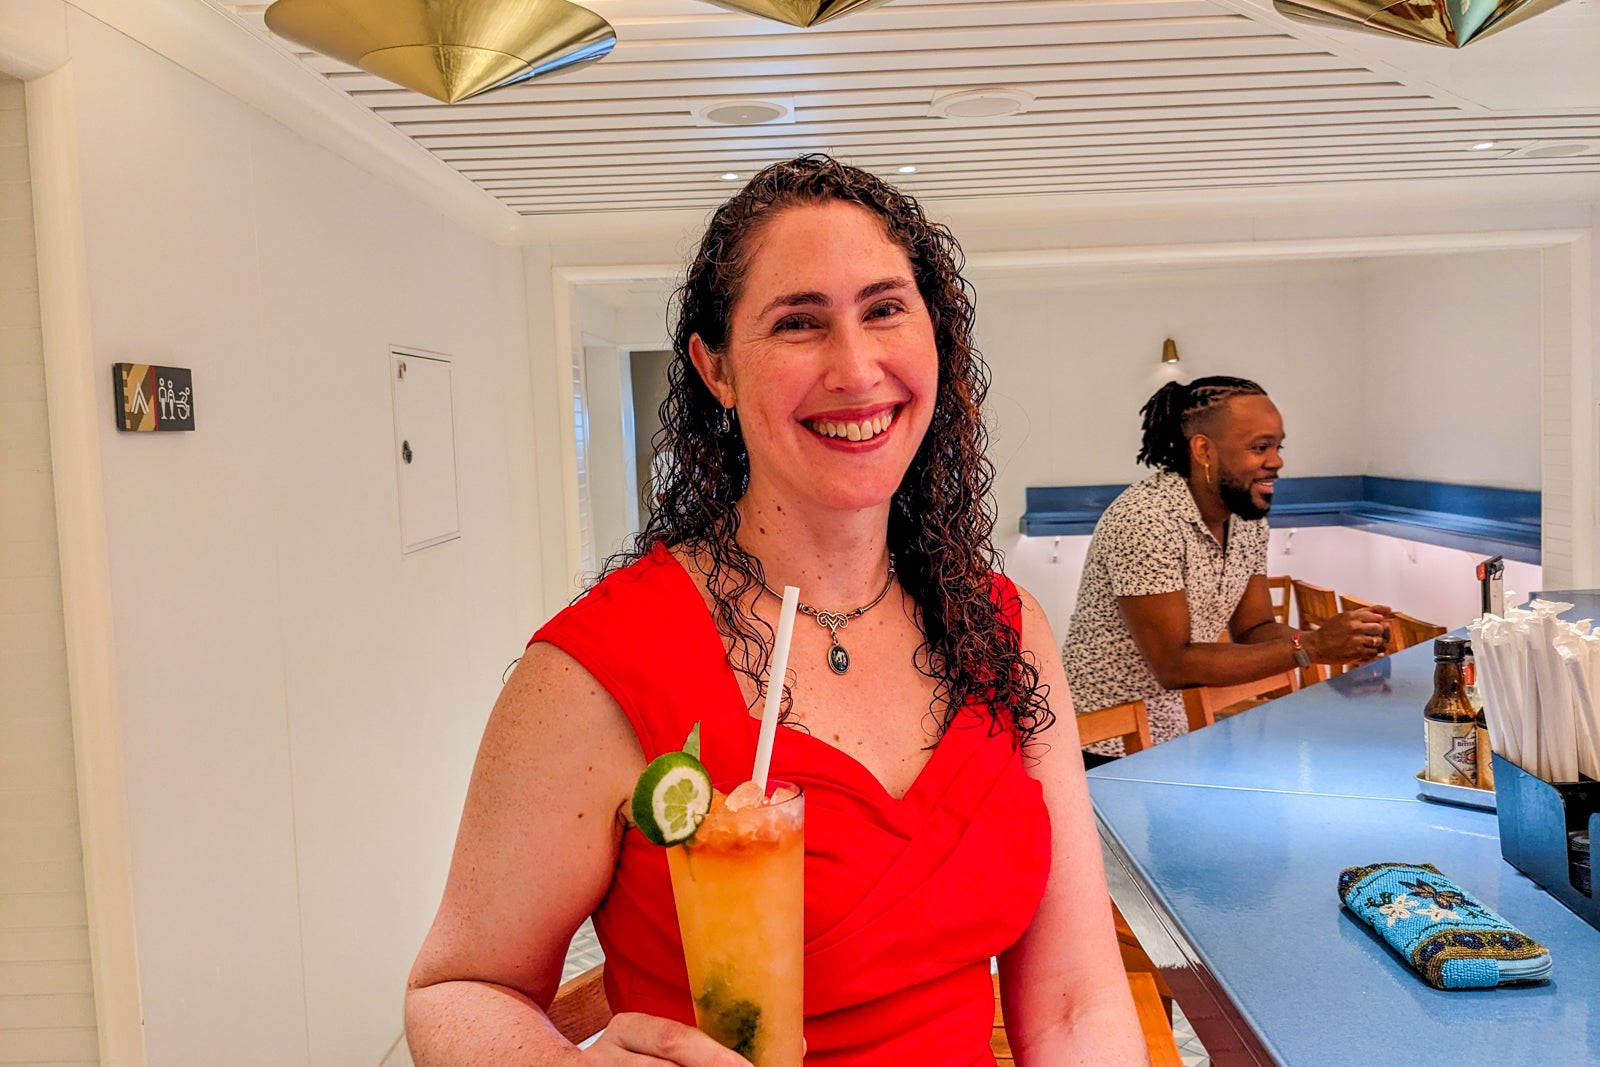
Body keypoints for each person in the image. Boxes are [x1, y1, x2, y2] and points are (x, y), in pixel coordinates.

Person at [404, 155, 1149, 1065]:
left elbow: (1075, 1003)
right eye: (798, 323)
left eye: (884, 309)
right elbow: (456, 990)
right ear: (715, 369)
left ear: (936, 335)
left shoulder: (1003, 627)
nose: (855, 365)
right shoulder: (593, 670)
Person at [1062, 377, 1391, 761]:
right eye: (1259, 447)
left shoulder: (1247, 518)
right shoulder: (1145, 519)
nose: (1277, 460)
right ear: (1204, 450)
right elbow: (1174, 664)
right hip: (1100, 741)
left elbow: (1255, 629)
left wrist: (1337, 646)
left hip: (1176, 731)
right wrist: (1312, 647)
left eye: (1278, 446)